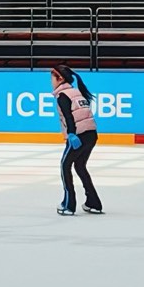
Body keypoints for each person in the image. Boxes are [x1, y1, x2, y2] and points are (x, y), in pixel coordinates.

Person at [51, 64, 104, 217]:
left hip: (78, 135)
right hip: (91, 134)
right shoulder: (76, 92)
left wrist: (72, 135)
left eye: (52, 78)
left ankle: (68, 204)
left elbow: (69, 117)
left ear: (59, 79)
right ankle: (93, 202)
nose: (51, 82)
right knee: (80, 166)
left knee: (64, 166)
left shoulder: (63, 96)